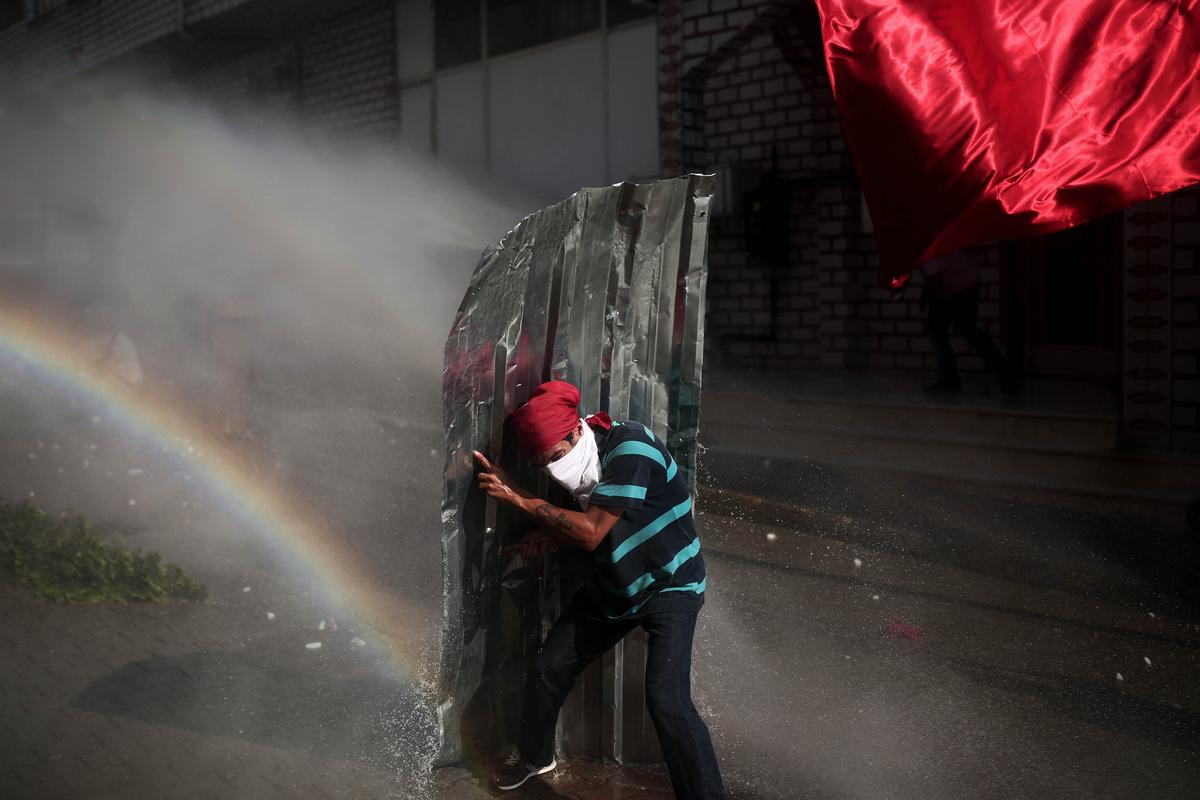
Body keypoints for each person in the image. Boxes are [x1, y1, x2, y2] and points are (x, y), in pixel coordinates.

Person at [474, 380, 724, 800]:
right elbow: (596, 519)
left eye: (555, 457)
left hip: (671, 584)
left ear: (576, 432)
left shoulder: (631, 447)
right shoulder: (583, 454)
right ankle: (536, 761)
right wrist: (550, 532)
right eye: (542, 464)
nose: (554, 469)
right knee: (546, 670)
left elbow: (591, 532)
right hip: (617, 585)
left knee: (667, 700)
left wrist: (518, 496)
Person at [921, 249, 1019, 395]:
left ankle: (950, 380)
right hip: (967, 284)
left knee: (940, 330)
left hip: (955, 288)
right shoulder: (947, 234)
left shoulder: (931, 244)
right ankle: (1005, 374)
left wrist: (925, 298)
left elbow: (936, 277)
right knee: (967, 331)